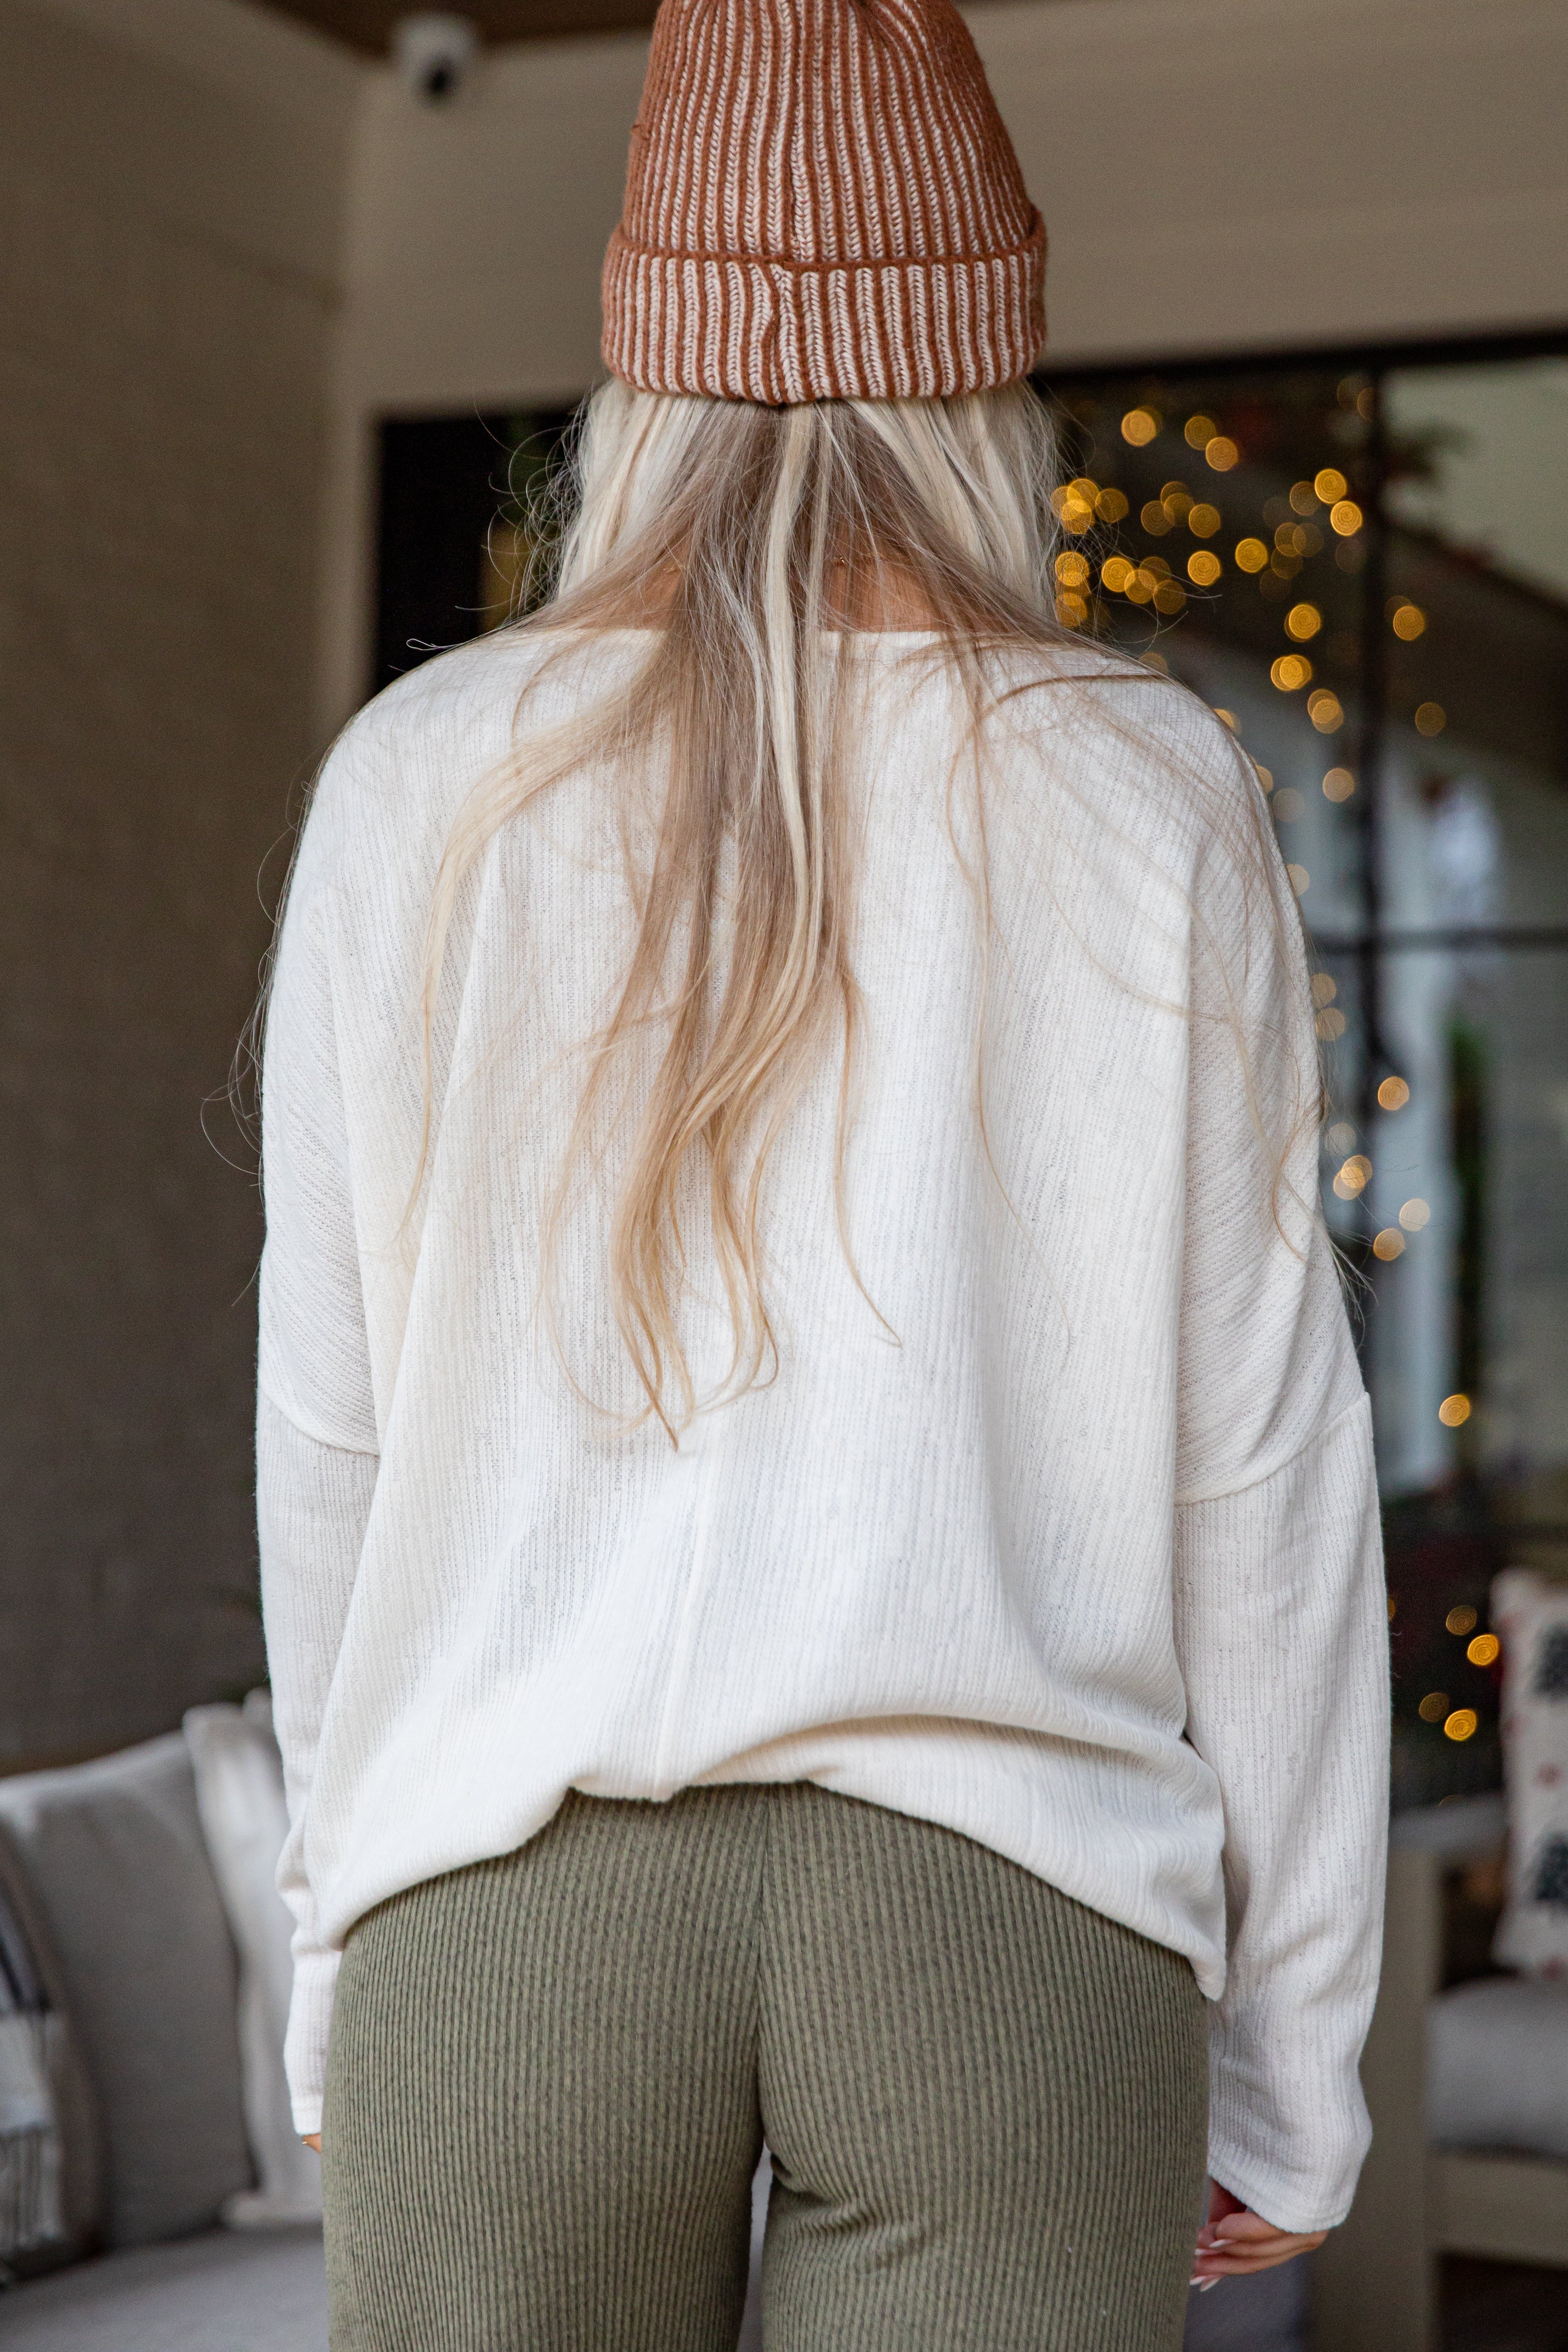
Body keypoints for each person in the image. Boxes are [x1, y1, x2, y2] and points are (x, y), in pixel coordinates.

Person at [257, 1, 1389, 2344]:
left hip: (506, 1910)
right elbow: (1262, 1480)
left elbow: (331, 1437)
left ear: (638, 378)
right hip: (1008, 1915)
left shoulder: (423, 778)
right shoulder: (1149, 789)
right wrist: (1295, 2065)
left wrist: (337, 1941)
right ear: (983, 388)